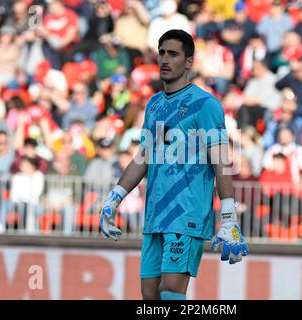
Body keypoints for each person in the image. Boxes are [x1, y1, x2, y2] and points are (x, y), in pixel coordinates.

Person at [99, 29, 248, 300]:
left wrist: (229, 216)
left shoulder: (206, 105)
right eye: (161, 53)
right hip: (155, 214)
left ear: (189, 62)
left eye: (173, 54)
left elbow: (221, 161)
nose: (165, 59)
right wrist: (114, 198)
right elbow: (143, 157)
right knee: (149, 295)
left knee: (170, 291)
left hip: (186, 214)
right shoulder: (154, 105)